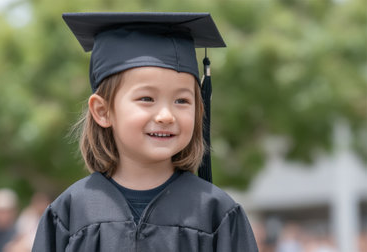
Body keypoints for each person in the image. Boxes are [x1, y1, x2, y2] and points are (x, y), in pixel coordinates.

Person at [32, 12, 258, 252]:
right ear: (102, 111)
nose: (166, 116)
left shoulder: (217, 213)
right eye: (147, 98)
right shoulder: (70, 213)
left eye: (182, 101)